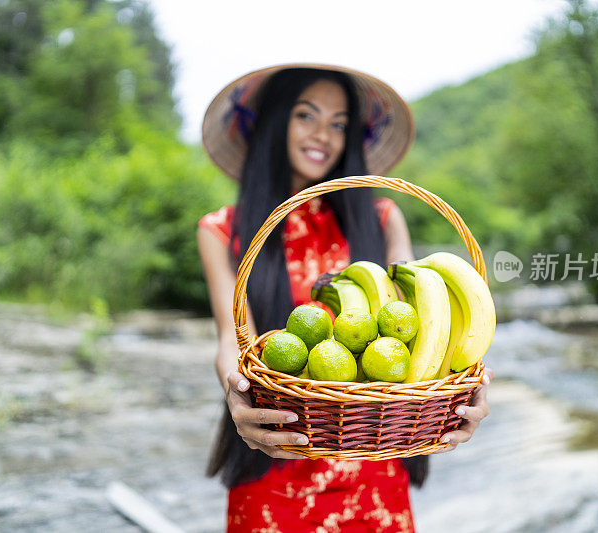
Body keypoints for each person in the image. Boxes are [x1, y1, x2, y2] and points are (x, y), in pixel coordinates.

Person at [197, 64, 493, 532]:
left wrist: (464, 386)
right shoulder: (222, 230)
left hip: (375, 459)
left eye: (339, 124)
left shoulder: (381, 215)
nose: (324, 136)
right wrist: (238, 395)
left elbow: (422, 323)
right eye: (305, 116)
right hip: (277, 455)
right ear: (276, 123)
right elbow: (232, 338)